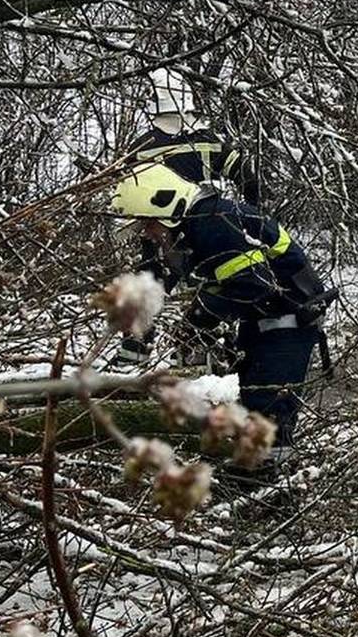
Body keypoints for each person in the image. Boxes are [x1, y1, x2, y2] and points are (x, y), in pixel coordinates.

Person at [110, 163, 334, 457]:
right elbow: (223, 280)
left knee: (268, 416)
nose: (149, 233)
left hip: (286, 325)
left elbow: (253, 285)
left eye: (148, 223)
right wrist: (191, 321)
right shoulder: (201, 224)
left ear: (165, 205)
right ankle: (256, 478)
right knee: (250, 408)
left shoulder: (215, 224)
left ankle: (275, 490)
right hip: (265, 324)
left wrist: (202, 315)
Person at [114, 68, 265, 367]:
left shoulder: (141, 147)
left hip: (160, 235)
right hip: (210, 229)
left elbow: (125, 191)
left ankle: (131, 361)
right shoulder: (211, 140)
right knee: (213, 289)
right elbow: (249, 179)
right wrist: (251, 218)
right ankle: (206, 353)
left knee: (147, 291)